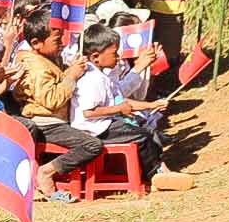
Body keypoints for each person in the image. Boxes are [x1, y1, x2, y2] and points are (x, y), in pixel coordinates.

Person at [70, 23, 191, 189]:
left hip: (106, 123)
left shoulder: (101, 76)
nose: (118, 57)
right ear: (96, 56)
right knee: (142, 136)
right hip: (96, 129)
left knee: (148, 132)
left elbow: (120, 99)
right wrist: (118, 110)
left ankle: (160, 171)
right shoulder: (91, 79)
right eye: (114, 53)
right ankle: (155, 174)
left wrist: (151, 105)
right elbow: (88, 113)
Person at [9, 7, 103, 203]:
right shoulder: (36, 66)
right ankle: (47, 172)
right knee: (92, 145)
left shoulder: (48, 59)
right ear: (36, 43)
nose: (62, 43)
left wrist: (71, 70)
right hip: (47, 122)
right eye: (56, 39)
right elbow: (51, 100)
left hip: (58, 120)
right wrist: (71, 76)